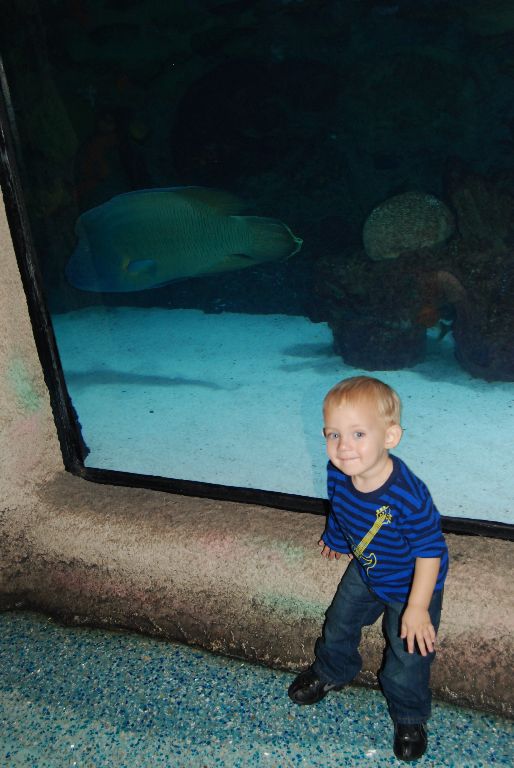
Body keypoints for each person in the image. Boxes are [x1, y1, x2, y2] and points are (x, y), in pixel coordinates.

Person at [288, 376, 448, 762]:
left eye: (358, 434)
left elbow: (431, 551)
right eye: (334, 434)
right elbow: (340, 509)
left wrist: (417, 607)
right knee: (339, 622)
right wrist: (337, 539)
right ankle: (332, 670)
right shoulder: (338, 471)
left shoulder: (408, 494)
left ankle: (409, 715)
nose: (344, 447)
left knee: (408, 655)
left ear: (390, 436)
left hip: (411, 583)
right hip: (367, 568)